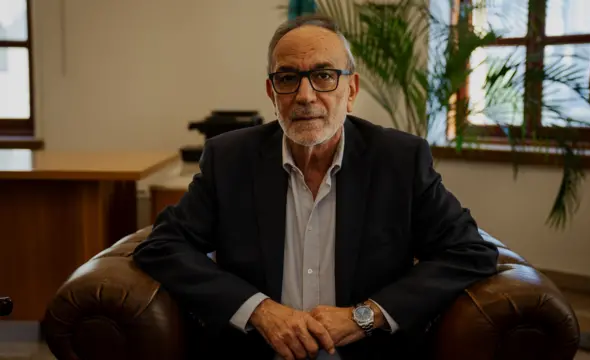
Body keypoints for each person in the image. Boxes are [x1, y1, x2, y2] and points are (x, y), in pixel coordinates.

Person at [133, 14, 499, 360]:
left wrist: (364, 317)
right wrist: (259, 309)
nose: (305, 95)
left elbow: (468, 251)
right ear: (271, 92)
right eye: (288, 77)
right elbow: (163, 246)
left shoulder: (399, 160)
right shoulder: (230, 159)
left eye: (324, 75)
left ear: (351, 89)